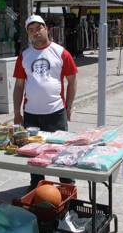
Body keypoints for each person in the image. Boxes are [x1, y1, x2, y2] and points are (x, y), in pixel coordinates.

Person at [13, 15, 78, 190]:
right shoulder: (24, 56)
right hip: (31, 115)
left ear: (46, 29)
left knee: (60, 152)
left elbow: (72, 81)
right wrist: (17, 113)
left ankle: (67, 185)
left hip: (56, 113)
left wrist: (69, 106)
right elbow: (19, 86)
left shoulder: (61, 52)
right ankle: (36, 185)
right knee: (33, 151)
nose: (35, 32)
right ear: (28, 34)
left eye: (38, 28)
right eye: (31, 30)